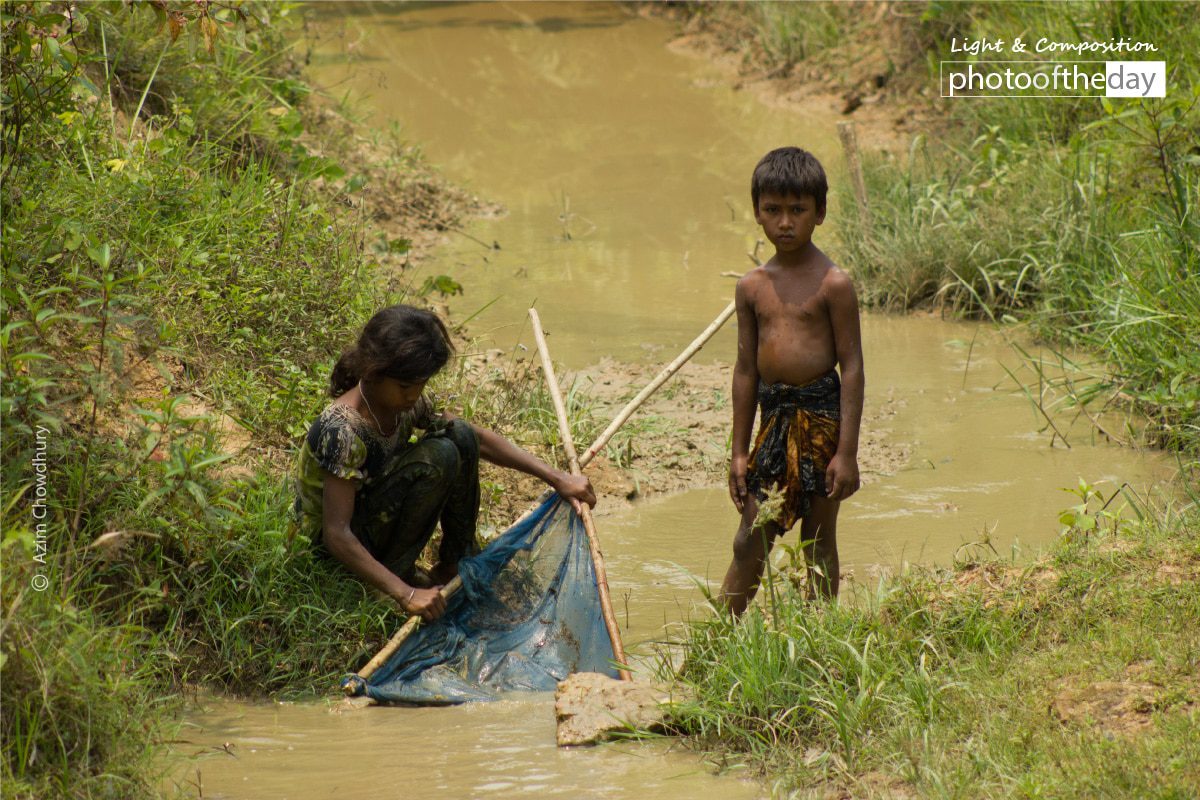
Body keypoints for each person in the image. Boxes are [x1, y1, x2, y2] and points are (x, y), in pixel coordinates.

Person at [294, 305, 595, 622]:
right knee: (439, 457)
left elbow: (476, 439)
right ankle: (393, 580)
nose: (413, 396)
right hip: (335, 551)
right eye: (405, 387)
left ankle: (454, 564)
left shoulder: (403, 404)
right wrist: (405, 593)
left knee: (460, 434)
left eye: (421, 385)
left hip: (371, 520)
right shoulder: (343, 431)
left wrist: (557, 477)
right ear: (372, 372)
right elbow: (336, 534)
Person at [719, 146, 865, 614]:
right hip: (774, 417)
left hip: (822, 418)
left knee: (818, 541)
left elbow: (853, 368)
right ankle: (716, 643)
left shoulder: (834, 284)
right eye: (773, 210)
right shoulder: (751, 287)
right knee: (750, 538)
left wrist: (847, 453)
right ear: (757, 212)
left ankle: (820, 637)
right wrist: (739, 451)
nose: (785, 222)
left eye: (798, 210)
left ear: (819, 213)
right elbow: (746, 370)